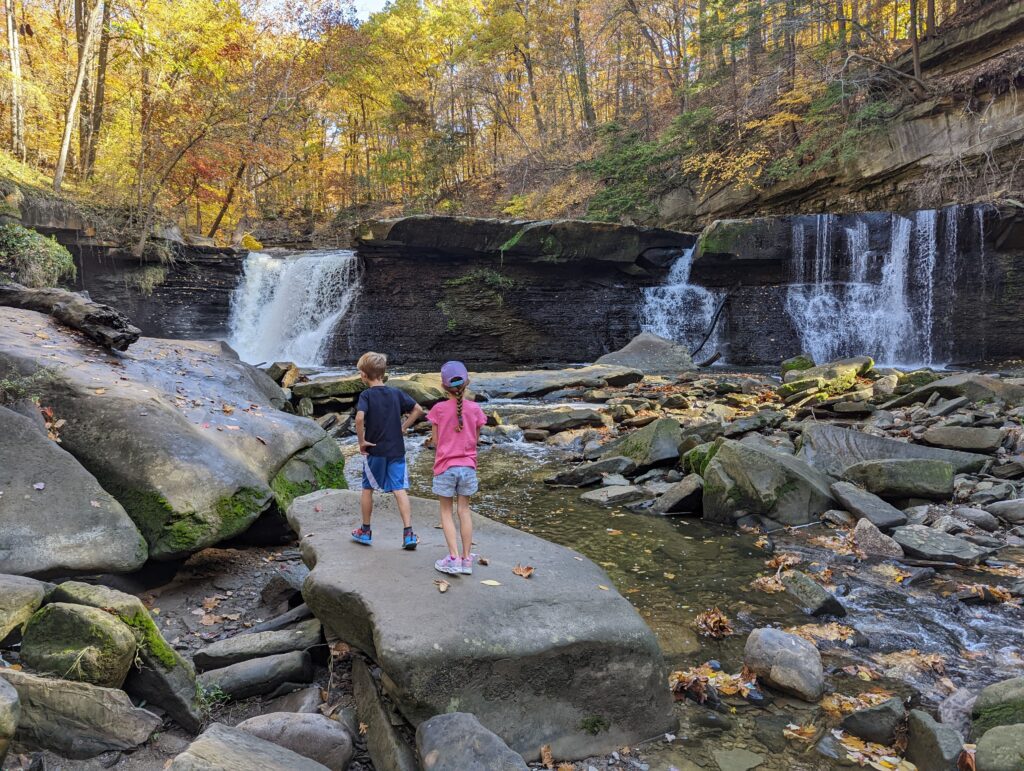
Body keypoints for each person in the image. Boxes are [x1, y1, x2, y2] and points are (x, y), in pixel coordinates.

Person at [351, 351, 423, 549]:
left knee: (367, 488)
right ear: (383, 373)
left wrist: (362, 441)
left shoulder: (366, 395)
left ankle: (365, 531)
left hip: (375, 450)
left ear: (364, 375)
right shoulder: (395, 393)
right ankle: (408, 534)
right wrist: (403, 427)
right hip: (396, 450)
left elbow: (359, 419)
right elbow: (418, 409)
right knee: (399, 488)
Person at [427, 361, 487, 575]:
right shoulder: (476, 409)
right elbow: (476, 440)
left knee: (446, 511)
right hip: (468, 467)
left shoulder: (438, 410)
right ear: (467, 383)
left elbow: (435, 441)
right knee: (464, 511)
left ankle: (452, 558)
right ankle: (466, 560)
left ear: (443, 387)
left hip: (445, 466)